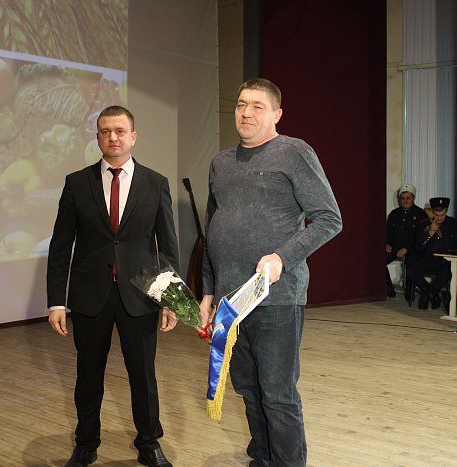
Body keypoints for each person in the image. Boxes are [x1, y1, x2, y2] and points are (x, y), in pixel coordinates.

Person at [199, 78, 343, 467]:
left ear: (277, 114)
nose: (246, 112)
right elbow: (212, 231)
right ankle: (262, 459)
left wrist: (282, 257)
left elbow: (329, 219)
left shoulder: (294, 152)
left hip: (276, 299)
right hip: (230, 303)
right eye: (241, 104)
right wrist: (208, 291)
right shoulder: (220, 163)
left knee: (278, 394)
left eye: (257, 106)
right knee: (248, 389)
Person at [47, 105, 179, 467]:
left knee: (143, 375)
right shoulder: (77, 183)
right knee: (88, 375)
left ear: (133, 136)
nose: (113, 137)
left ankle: (149, 442)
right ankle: (86, 443)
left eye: (120, 131)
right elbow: (61, 246)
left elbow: (168, 247)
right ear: (98, 137)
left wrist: (171, 300)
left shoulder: (155, 183)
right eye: (105, 131)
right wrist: (56, 301)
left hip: (140, 297)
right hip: (90, 297)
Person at [406, 197, 457, 310]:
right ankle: (433, 295)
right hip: (428, 258)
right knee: (411, 270)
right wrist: (431, 232)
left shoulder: (454, 224)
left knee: (447, 271)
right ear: (432, 211)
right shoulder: (424, 224)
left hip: (446, 260)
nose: (439, 218)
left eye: (442, 215)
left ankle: (427, 295)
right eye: (436, 215)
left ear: (446, 211)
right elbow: (419, 247)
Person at [385, 184, 426, 299]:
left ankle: (409, 292)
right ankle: (388, 289)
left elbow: (420, 236)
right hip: (395, 246)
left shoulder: (420, 214)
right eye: (402, 198)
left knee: (411, 262)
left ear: (413, 198)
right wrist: (387, 243)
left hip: (412, 247)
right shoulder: (394, 213)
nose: (405, 201)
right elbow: (387, 231)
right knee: (378, 260)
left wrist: (406, 248)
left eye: (408, 198)